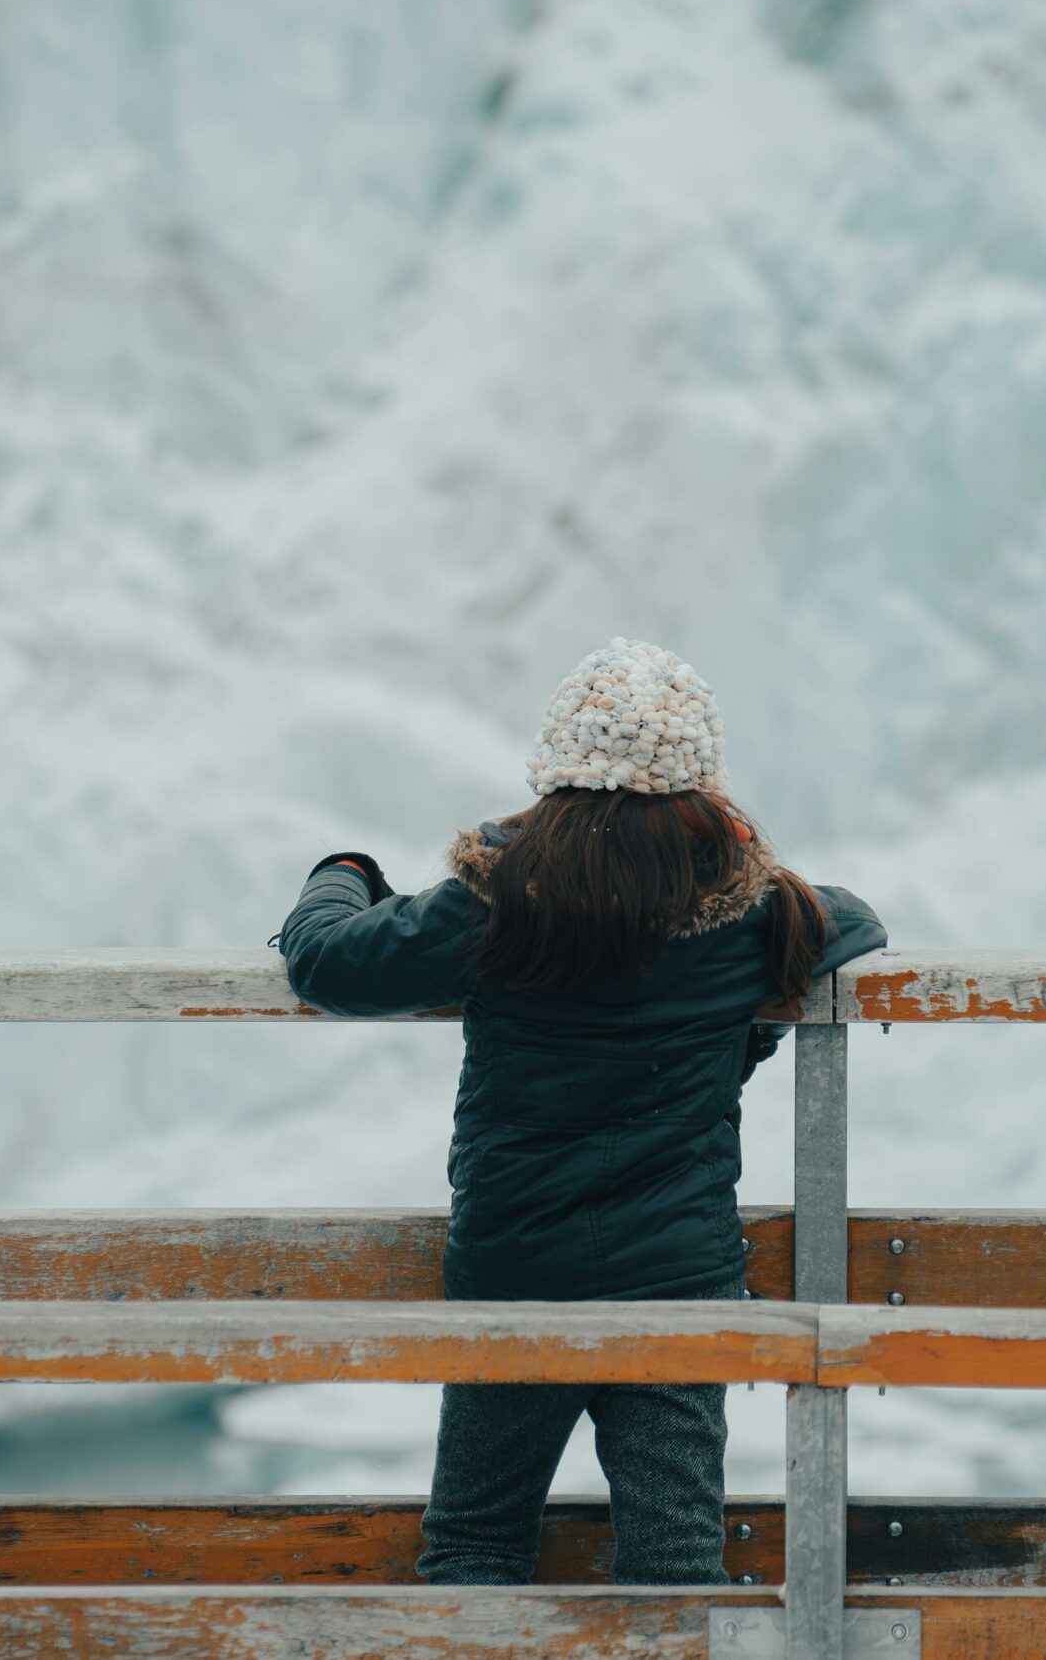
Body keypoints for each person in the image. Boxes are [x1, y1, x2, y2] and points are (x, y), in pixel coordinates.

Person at [275, 637, 887, 1586]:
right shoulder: (754, 914)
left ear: (559, 772)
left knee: (476, 1545)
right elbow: (854, 923)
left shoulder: (495, 903)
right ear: (702, 785)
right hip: (680, 1281)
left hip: (517, 1268)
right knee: (674, 1562)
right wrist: (743, 1036)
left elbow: (326, 961)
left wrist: (343, 868)